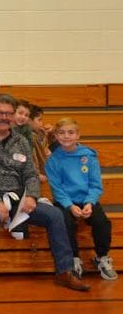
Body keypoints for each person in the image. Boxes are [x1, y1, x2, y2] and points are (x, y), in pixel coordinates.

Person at [0, 94, 89, 291]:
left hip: (16, 197)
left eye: (8, 113)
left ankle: (65, 271)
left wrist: (31, 195)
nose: (3, 117)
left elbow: (31, 173)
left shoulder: (22, 141)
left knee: (55, 215)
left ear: (13, 116)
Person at [45, 118, 116, 281]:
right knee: (64, 222)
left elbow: (95, 184)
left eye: (71, 132)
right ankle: (74, 259)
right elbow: (57, 189)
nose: (66, 136)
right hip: (65, 201)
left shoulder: (89, 157)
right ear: (55, 136)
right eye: (61, 133)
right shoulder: (53, 160)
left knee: (102, 222)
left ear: (78, 135)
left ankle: (102, 257)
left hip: (87, 200)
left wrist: (90, 203)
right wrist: (70, 206)